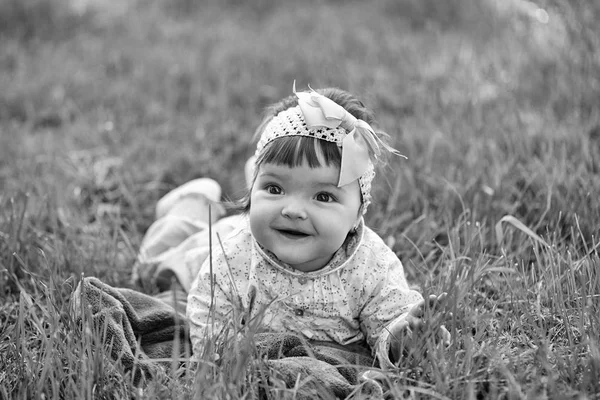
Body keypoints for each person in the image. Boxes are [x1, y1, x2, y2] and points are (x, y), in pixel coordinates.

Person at [147, 83, 450, 369]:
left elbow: (389, 318)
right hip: (212, 245)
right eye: (275, 188)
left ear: (358, 214)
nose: (293, 210)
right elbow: (207, 309)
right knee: (162, 266)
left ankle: (256, 179)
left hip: (258, 223)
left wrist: (403, 336)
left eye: (322, 196)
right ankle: (191, 200)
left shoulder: (371, 267)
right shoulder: (231, 257)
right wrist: (225, 360)